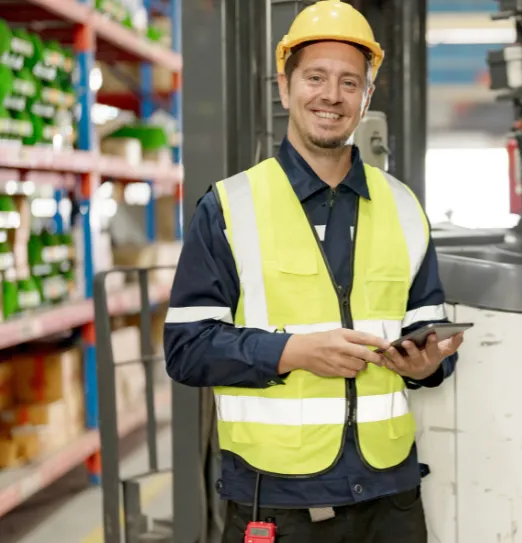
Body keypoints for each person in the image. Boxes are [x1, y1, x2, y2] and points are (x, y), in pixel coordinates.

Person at [163, 2, 463, 541]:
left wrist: (425, 365)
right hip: (278, 505)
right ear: (285, 86)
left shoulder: (403, 207)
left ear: (367, 96)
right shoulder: (229, 207)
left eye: (351, 82)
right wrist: (292, 352)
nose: (332, 95)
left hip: (390, 500)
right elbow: (186, 348)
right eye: (316, 77)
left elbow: (430, 339)